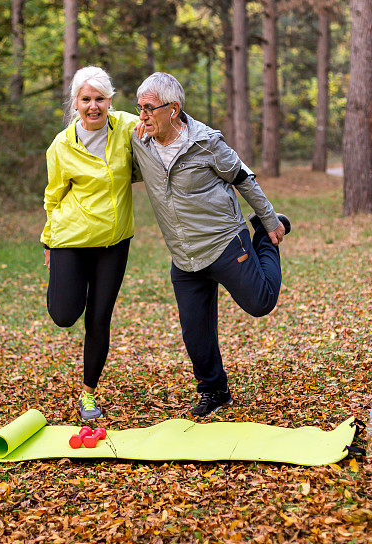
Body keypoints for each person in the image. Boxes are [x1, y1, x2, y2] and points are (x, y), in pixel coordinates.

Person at [131, 72, 290, 418]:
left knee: (260, 302)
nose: (141, 116)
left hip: (223, 241)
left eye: (147, 108)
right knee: (195, 332)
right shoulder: (139, 142)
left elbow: (243, 177)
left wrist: (268, 220)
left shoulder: (205, 142)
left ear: (172, 110)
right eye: (138, 107)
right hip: (184, 256)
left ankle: (263, 238)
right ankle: (215, 391)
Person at [40, 66, 138, 421]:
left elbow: (160, 121)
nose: (93, 106)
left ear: (110, 101)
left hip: (113, 242)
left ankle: (89, 394)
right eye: (86, 99)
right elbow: (53, 197)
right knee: (65, 314)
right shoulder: (62, 146)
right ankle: (65, 287)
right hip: (72, 239)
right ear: (75, 103)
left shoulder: (127, 127)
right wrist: (49, 243)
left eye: (99, 99)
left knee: (100, 317)